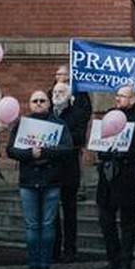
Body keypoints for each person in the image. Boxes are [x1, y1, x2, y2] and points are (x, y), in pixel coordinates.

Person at [7, 89, 72, 269]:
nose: (38, 103)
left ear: (49, 103)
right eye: (34, 100)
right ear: (30, 104)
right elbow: (10, 150)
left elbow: (67, 149)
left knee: (48, 224)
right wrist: (29, 154)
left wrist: (43, 152)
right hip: (28, 181)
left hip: (51, 180)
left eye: (42, 100)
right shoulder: (22, 124)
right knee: (32, 225)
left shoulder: (59, 124)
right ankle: (33, 263)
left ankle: (45, 264)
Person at [94, 84, 135, 269]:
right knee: (106, 220)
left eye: (122, 96)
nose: (117, 99)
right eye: (117, 95)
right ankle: (112, 259)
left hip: (128, 175)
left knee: (127, 223)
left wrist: (126, 153)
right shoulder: (111, 114)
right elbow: (100, 142)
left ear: (133, 99)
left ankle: (125, 262)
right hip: (108, 175)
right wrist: (103, 149)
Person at [51, 82, 87, 262]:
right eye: (55, 92)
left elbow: (80, 138)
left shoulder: (77, 114)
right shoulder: (48, 114)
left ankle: (70, 248)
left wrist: (59, 137)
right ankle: (54, 248)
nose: (57, 95)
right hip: (50, 169)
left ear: (69, 95)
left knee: (69, 211)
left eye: (61, 92)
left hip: (69, 169)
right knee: (52, 213)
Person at [54, 65, 92, 199]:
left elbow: (86, 111)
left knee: (76, 163)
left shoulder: (79, 92)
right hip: (55, 138)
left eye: (63, 74)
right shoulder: (52, 92)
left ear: (69, 76)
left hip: (74, 136)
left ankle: (79, 189)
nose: (60, 77)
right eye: (57, 74)